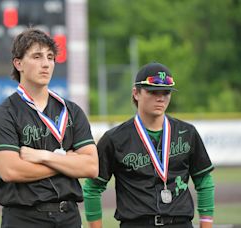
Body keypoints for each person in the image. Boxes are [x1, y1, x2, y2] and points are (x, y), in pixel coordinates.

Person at [0, 28, 99, 228]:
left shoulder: (71, 110)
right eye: (37, 57)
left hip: (69, 216)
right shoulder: (4, 113)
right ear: (18, 63)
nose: (46, 64)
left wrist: (44, 156)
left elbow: (91, 167)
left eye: (50, 57)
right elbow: (11, 171)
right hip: (25, 218)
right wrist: (68, 162)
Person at [83, 62, 215, 228]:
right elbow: (92, 188)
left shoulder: (187, 132)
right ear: (136, 93)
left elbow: (204, 181)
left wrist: (206, 224)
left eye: (166, 92)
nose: (160, 98)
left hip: (180, 223)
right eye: (152, 92)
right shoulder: (115, 138)